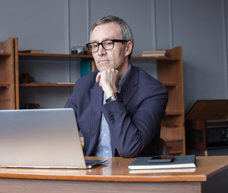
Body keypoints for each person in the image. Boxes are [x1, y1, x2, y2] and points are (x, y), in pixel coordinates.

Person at [64, 15, 168, 157]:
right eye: (94, 45)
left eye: (108, 43)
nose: (100, 52)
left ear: (127, 48)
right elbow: (60, 135)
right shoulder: (83, 85)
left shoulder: (153, 91)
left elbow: (130, 148)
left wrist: (111, 92)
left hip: (132, 174)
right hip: (91, 174)